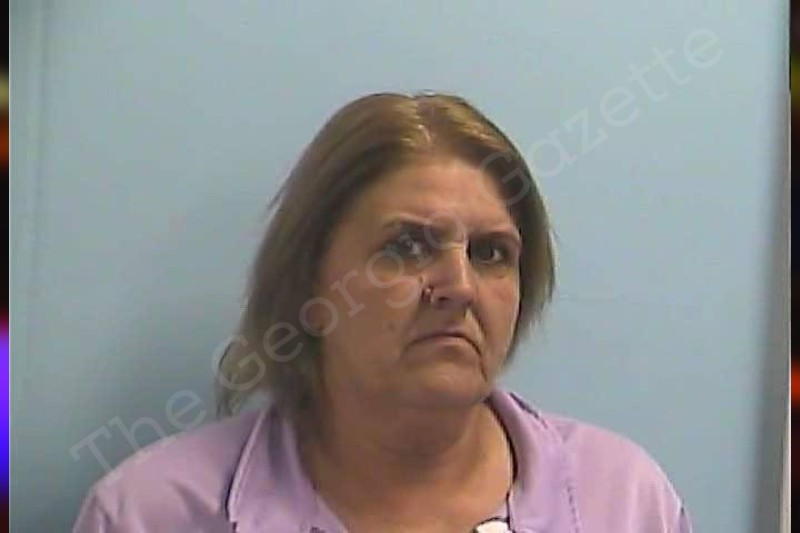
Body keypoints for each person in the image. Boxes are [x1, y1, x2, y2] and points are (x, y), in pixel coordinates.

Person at [73, 92, 692, 532]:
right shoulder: (151, 513)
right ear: (309, 289)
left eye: (490, 253)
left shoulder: (625, 502)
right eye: (407, 247)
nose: (458, 287)